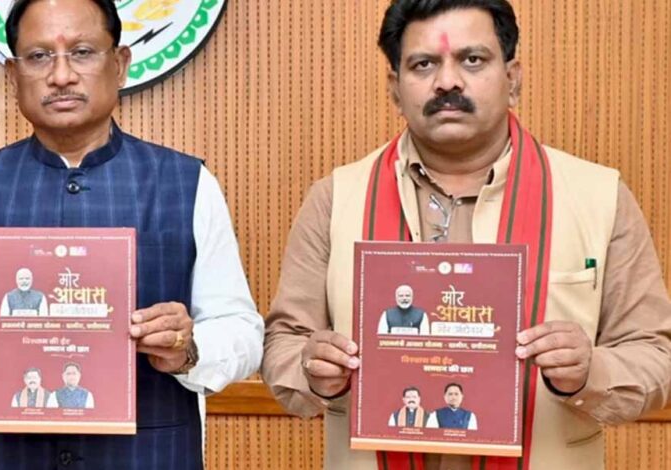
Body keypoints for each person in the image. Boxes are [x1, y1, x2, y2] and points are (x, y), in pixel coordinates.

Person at [261, 0, 671, 469]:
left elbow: (656, 355)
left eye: (472, 60)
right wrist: (313, 369)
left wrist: (589, 372)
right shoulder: (335, 199)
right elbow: (283, 344)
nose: (447, 81)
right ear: (395, 88)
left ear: (513, 79)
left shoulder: (598, 196)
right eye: (424, 64)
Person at [0, 1, 263, 468]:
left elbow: (242, 332)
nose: (61, 76)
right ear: (13, 74)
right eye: (39, 56)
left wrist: (189, 348)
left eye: (82, 52)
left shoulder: (187, 183)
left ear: (120, 64)